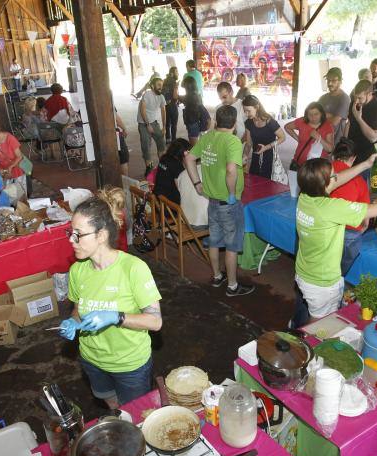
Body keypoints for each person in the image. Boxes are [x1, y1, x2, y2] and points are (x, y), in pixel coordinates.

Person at [57, 189, 162, 407]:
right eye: (70, 232)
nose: (71, 240)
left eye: (78, 234)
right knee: (113, 405)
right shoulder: (78, 271)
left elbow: (155, 322)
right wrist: (73, 322)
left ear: (102, 235)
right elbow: (78, 309)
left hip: (129, 365)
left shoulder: (133, 269)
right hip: (92, 360)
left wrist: (117, 316)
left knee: (136, 415)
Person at [292, 158, 377, 325]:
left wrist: (365, 164)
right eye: (333, 175)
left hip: (305, 272)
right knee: (319, 324)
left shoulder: (305, 196)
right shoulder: (331, 208)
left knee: (313, 312)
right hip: (322, 282)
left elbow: (334, 182)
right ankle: (309, 347)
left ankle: (297, 329)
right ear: (325, 183)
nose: (337, 177)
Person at [184, 105, 254, 297]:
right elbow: (231, 170)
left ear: (216, 121)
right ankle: (232, 286)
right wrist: (231, 193)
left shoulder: (206, 137)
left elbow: (189, 158)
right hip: (228, 203)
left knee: (214, 241)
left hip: (212, 201)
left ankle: (217, 276)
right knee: (231, 246)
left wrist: (197, 183)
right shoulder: (232, 141)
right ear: (234, 123)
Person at [329, 139, 372, 275]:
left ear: (333, 155)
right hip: (349, 231)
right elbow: (366, 216)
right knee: (340, 270)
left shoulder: (322, 172)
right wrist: (362, 228)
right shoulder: (359, 181)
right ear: (353, 158)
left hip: (326, 226)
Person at [344, 79, 377, 181]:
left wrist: (359, 118)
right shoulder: (354, 104)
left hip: (366, 156)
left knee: (360, 185)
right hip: (351, 153)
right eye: (355, 97)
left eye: (360, 98)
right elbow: (349, 124)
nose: (357, 101)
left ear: (369, 94)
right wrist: (344, 144)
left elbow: (373, 137)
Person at [284, 102, 334, 183]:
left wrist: (319, 138)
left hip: (316, 168)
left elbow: (330, 149)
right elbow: (287, 127)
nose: (313, 117)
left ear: (321, 114)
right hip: (298, 163)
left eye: (316, 114)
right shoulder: (302, 121)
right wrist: (298, 139)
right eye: (310, 114)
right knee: (293, 190)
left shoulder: (327, 126)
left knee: (312, 192)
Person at [0, 121, 28, 201]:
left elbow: (19, 156)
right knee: (9, 195)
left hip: (16, 168)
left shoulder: (10, 139)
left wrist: (11, 166)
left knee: (21, 196)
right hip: (4, 172)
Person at [243, 95, 285, 179]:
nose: (246, 114)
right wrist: (245, 155)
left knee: (267, 183)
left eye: (248, 111)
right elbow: (249, 143)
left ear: (257, 107)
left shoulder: (269, 121)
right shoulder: (248, 122)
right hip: (256, 156)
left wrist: (266, 147)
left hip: (269, 157)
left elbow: (282, 137)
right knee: (253, 180)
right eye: (245, 111)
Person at [137, 77, 167, 175]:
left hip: (154, 123)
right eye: (158, 85)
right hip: (143, 123)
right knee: (146, 145)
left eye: (161, 85)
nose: (160, 87)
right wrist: (147, 125)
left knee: (161, 143)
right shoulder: (147, 94)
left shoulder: (161, 97)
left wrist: (164, 127)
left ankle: (162, 166)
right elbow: (143, 110)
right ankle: (149, 168)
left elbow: (163, 112)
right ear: (153, 86)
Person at [317, 67, 351, 142]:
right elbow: (313, 117)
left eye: (333, 80)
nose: (329, 83)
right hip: (321, 139)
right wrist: (330, 116)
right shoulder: (323, 98)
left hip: (336, 142)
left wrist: (322, 115)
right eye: (328, 80)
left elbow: (335, 121)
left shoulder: (345, 98)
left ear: (340, 81)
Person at [153, 138, 191, 205]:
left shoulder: (164, 158)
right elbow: (180, 189)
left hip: (158, 199)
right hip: (169, 205)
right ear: (182, 152)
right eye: (188, 152)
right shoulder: (177, 166)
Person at [181, 76, 211, 145]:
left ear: (187, 87)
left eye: (185, 87)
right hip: (195, 123)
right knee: (197, 146)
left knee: (194, 148)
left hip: (192, 124)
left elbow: (176, 96)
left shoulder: (190, 97)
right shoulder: (196, 95)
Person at [162, 67, 180, 143]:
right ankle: (173, 140)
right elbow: (175, 96)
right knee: (174, 124)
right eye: (176, 71)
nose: (178, 73)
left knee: (167, 123)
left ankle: (167, 139)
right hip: (172, 105)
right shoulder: (174, 82)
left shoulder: (165, 80)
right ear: (172, 73)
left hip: (166, 105)